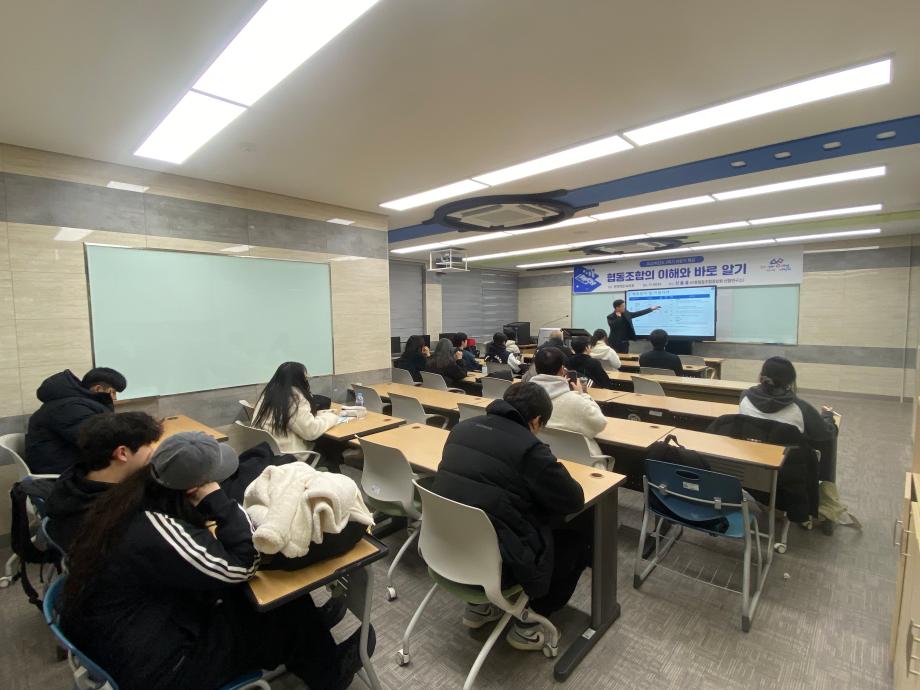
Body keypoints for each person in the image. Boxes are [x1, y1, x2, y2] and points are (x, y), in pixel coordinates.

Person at [61, 432, 370, 690]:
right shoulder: (155, 530)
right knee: (279, 609)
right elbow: (244, 564)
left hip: (141, 625)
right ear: (195, 489)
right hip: (165, 667)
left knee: (271, 599)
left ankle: (312, 638)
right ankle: (330, 676)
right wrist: (219, 501)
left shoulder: (129, 499)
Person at [432, 383, 588, 651]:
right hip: (496, 568)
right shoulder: (530, 449)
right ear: (536, 420)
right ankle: (528, 622)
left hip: (445, 550)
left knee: (477, 508)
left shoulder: (460, 429)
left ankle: (479, 607)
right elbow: (573, 500)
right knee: (577, 539)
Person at [45, 412, 163, 553]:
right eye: (149, 445)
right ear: (122, 453)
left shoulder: (71, 485)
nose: (153, 451)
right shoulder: (115, 517)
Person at [26, 367, 128, 475]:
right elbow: (95, 439)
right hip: (62, 471)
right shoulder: (69, 407)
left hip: (72, 462)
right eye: (113, 392)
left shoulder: (77, 403)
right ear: (98, 389)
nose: (115, 398)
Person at [739, 357, 837, 443]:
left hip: (750, 454)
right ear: (790, 381)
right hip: (790, 458)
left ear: (762, 376)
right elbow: (826, 434)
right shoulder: (802, 408)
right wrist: (827, 415)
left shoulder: (745, 396)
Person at [530, 347, 607, 456]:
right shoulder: (577, 401)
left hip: (543, 457)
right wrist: (583, 394)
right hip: (582, 460)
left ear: (536, 368)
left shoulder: (525, 397)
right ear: (562, 370)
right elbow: (600, 424)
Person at [251, 362, 342, 453]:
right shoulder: (294, 397)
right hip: (289, 454)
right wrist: (332, 417)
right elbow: (311, 431)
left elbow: (296, 419)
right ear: (298, 379)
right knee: (334, 446)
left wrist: (321, 414)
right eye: (306, 377)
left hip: (268, 449)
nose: (307, 380)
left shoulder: (269, 392)